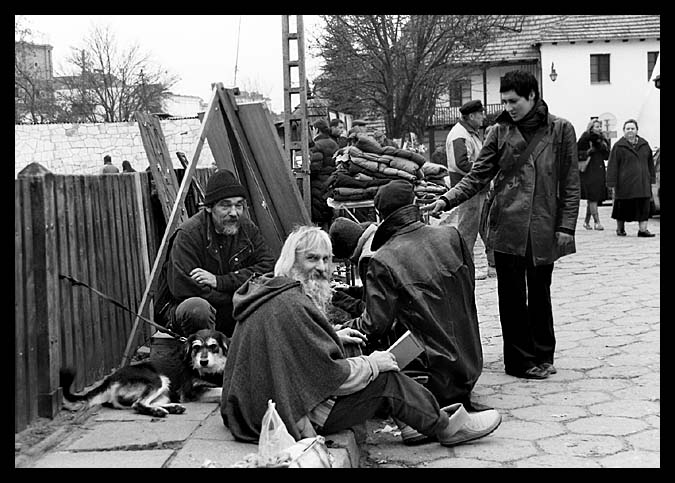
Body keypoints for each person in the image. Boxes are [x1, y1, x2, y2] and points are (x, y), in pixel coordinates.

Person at [220, 225, 501, 448]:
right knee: (385, 379)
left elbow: (294, 351)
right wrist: (373, 364)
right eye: (312, 258)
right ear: (291, 261)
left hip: (253, 410)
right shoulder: (293, 304)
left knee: (359, 353)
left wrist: (332, 336)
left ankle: (414, 424)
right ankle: (445, 426)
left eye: (326, 260)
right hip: (290, 414)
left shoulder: (275, 291)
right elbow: (330, 376)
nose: (321, 267)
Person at [421, 70, 580, 380]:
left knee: (540, 291)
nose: (508, 106)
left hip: (544, 226)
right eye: (504, 101)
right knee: (510, 296)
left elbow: (571, 183)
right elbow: (476, 176)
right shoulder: (499, 132)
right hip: (507, 225)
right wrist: (445, 200)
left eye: (514, 100)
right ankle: (519, 361)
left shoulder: (561, 130)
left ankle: (543, 353)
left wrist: (567, 227)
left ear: (532, 96)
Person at [335, 180, 484, 411]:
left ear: (379, 216)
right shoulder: (451, 235)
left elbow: (373, 325)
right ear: (415, 203)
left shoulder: (382, 260)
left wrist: (336, 330)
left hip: (434, 378)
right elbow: (467, 289)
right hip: (471, 365)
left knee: (361, 355)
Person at [155, 169, 275, 337]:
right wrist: (236, 296)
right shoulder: (188, 235)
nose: (234, 212)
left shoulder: (247, 229)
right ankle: (200, 360)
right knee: (197, 309)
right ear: (209, 208)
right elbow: (183, 287)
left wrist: (221, 282)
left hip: (232, 302)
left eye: (239, 205)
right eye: (226, 205)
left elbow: (268, 266)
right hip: (184, 310)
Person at [442, 99, 490, 277]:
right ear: (471, 116)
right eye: (480, 114)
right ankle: (465, 270)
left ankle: (491, 265)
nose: (483, 117)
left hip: (476, 188)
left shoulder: (469, 133)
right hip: (468, 189)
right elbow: (461, 163)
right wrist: (485, 170)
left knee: (483, 226)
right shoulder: (459, 134)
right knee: (467, 232)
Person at [606, 119, 656, 237]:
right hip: (624, 184)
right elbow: (612, 165)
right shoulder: (618, 146)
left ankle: (643, 230)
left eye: (632, 128)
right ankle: (620, 229)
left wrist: (651, 178)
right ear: (624, 131)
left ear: (637, 130)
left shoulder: (645, 145)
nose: (630, 131)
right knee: (622, 208)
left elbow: (650, 164)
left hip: (642, 183)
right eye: (627, 129)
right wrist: (611, 182)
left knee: (643, 207)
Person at [577, 119, 610, 230]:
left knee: (593, 198)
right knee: (593, 197)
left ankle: (586, 222)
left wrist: (604, 146)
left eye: (600, 126)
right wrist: (588, 152)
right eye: (596, 126)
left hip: (599, 169)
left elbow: (606, 156)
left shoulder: (603, 140)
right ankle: (597, 222)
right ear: (591, 128)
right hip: (589, 171)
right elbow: (577, 153)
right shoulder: (585, 139)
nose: (599, 128)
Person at [309, 119, 339, 229]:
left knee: (319, 220)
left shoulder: (317, 145)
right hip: (331, 183)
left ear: (316, 129)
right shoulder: (334, 144)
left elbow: (315, 168)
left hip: (318, 186)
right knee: (330, 215)